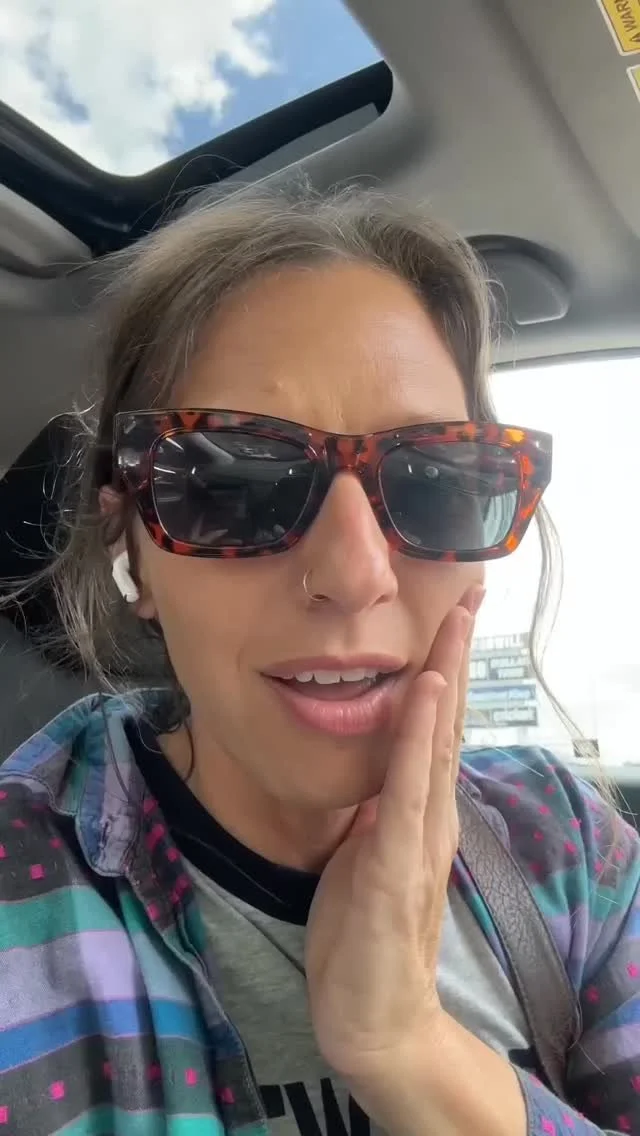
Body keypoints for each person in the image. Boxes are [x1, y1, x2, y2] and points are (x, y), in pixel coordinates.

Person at [0, 186, 637, 1136]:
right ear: (130, 545)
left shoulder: (566, 846)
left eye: (436, 483)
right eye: (231, 483)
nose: (353, 574)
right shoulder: (21, 901)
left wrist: (409, 1047)